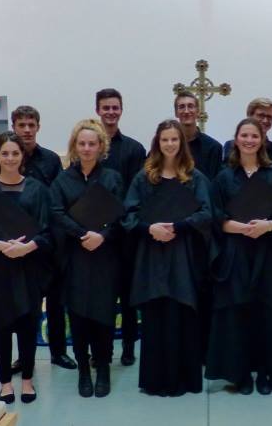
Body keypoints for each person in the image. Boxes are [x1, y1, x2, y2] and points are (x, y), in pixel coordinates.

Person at [123, 119, 214, 396]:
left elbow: (206, 213)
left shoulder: (194, 177)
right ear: (157, 143)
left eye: (175, 139)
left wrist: (178, 227)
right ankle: (156, 381)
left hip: (183, 255)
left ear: (181, 143)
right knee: (155, 314)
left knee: (182, 311)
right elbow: (128, 215)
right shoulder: (144, 177)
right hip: (152, 255)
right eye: (165, 140)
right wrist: (149, 228)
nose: (170, 144)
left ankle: (183, 379)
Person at [206, 118, 272, 395]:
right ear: (236, 139)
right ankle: (240, 373)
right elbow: (215, 214)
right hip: (236, 252)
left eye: (254, 136)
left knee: (267, 313)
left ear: (262, 140)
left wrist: (269, 225)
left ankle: (267, 372)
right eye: (244, 135)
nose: (249, 140)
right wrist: (231, 226)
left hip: (267, 252)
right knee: (237, 312)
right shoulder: (224, 177)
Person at [0, 132, 53, 404]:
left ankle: (27, 379)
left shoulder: (37, 189)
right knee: (2, 327)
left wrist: (27, 247)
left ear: (22, 156)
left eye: (15, 153)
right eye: (4, 153)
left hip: (29, 268)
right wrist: (2, 246)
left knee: (28, 327)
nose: (10, 158)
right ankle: (5, 382)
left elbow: (48, 230)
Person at [49, 119, 126, 398]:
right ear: (74, 146)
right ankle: (83, 370)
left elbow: (121, 215)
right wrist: (82, 234)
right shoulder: (63, 180)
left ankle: (103, 369)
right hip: (75, 257)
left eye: (92, 143)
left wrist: (102, 236)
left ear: (101, 147)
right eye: (81, 143)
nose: (86, 148)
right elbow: (56, 213)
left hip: (105, 257)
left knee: (104, 315)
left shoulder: (112, 178)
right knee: (79, 315)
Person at [11, 105, 75, 369]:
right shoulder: (9, 156)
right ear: (14, 126)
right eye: (21, 125)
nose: (26, 130)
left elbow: (58, 197)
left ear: (38, 126)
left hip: (48, 241)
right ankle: (23, 356)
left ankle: (58, 352)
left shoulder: (51, 160)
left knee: (56, 300)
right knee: (23, 303)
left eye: (31, 125)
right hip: (16, 241)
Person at [96, 88, 148, 366]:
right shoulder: (89, 146)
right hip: (98, 235)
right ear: (98, 111)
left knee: (128, 296)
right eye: (106, 108)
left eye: (115, 107)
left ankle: (129, 346)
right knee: (102, 295)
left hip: (125, 234)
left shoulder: (134, 149)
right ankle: (102, 349)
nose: (111, 112)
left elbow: (136, 191)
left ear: (121, 110)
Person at [222, 98, 272, 167]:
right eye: (261, 115)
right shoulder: (231, 146)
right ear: (249, 116)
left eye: (269, 117)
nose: (265, 120)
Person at [175, 91, 223, 179]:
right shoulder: (167, 145)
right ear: (176, 113)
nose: (186, 111)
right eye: (181, 107)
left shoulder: (213, 148)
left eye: (190, 106)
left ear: (198, 111)